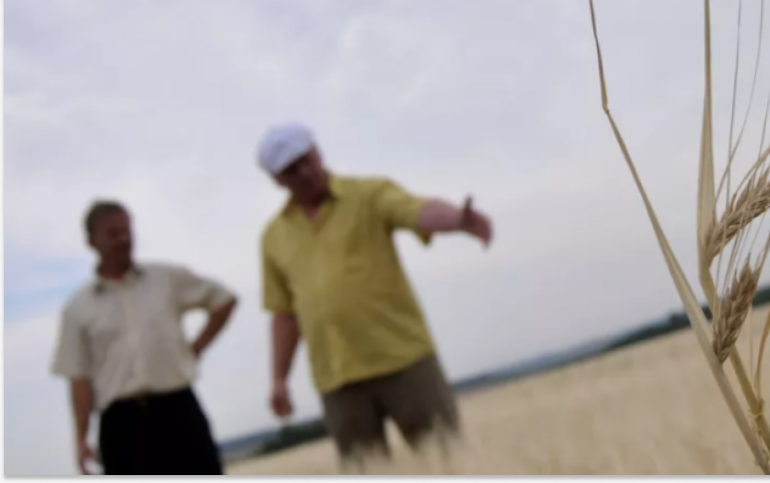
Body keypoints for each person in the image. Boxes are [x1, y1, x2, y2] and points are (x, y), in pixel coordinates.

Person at [256, 123, 493, 469]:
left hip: (404, 360)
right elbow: (284, 314)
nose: (305, 171)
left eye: (307, 159)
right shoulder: (273, 237)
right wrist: (279, 379)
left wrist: (457, 218)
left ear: (318, 152)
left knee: (448, 463)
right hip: (337, 378)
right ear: (278, 180)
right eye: (292, 169)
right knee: (363, 472)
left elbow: (416, 210)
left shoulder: (369, 194)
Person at [50, 200, 238, 475]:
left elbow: (223, 300)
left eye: (127, 230)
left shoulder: (166, 279)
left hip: (179, 413)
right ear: (92, 241)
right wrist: (80, 439)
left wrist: (198, 347)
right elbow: (79, 378)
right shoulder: (78, 308)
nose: (123, 239)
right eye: (113, 233)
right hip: (121, 428)